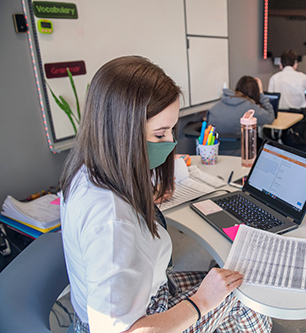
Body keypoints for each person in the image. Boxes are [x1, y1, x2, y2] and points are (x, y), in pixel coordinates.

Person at [59, 56, 272, 333]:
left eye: (172, 129)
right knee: (246, 297)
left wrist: (146, 192)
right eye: (160, 135)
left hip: (146, 294)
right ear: (122, 134)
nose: (172, 142)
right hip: (138, 320)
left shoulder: (90, 169)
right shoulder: (111, 222)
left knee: (226, 278)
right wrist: (201, 302)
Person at [207, 76, 275, 136]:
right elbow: (270, 117)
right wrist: (261, 93)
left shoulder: (221, 102)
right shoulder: (250, 107)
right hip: (238, 149)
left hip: (213, 147)